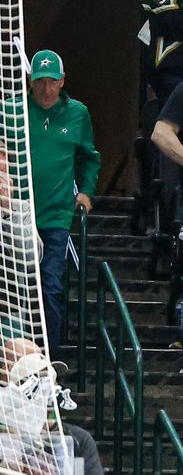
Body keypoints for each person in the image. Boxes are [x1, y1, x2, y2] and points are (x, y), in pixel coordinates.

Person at [26, 51, 96, 350]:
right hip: (15, 215)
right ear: (30, 83)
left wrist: (86, 191)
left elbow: (90, 158)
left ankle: (49, 357)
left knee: (51, 286)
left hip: (56, 216)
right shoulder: (13, 110)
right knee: (14, 288)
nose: (45, 89)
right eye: (39, 81)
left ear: (62, 81)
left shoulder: (77, 113)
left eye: (51, 81)